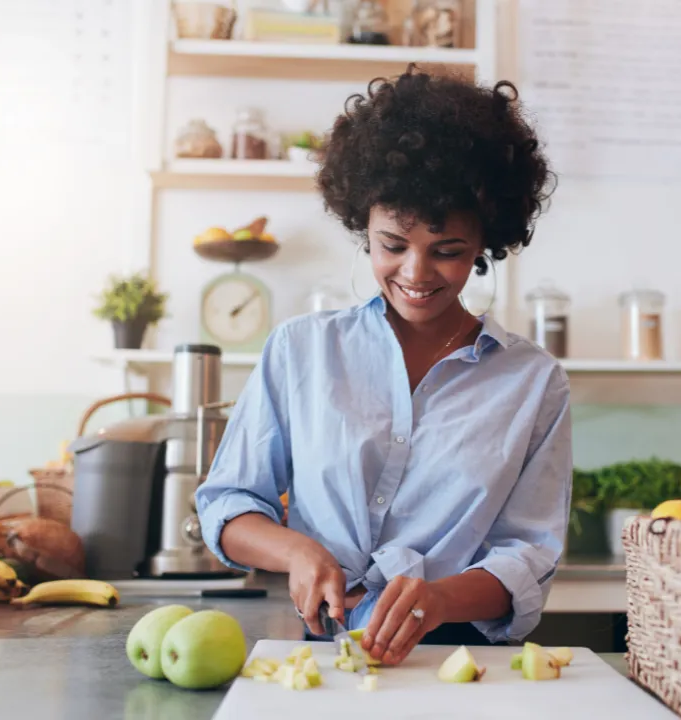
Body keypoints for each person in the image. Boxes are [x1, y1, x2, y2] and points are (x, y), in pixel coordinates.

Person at [195, 65, 570, 666]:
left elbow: (528, 553)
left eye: (447, 252)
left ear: (484, 246)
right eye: (392, 244)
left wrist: (441, 599)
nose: (416, 274)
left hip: (463, 663)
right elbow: (229, 502)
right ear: (362, 226)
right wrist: (298, 552)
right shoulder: (301, 351)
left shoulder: (533, 382)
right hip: (326, 659)